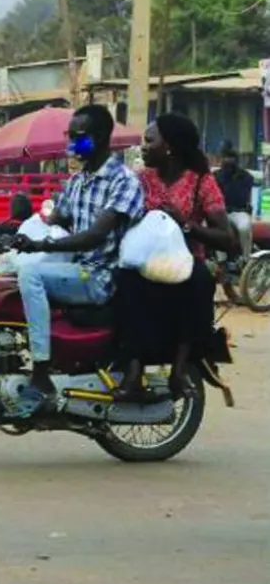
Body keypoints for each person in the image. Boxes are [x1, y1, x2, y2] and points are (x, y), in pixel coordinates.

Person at [13, 105, 145, 409]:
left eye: (78, 138)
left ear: (99, 138)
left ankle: (41, 373)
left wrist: (40, 246)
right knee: (8, 275)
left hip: (99, 277)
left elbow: (94, 236)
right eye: (70, 137)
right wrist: (19, 230)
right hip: (76, 267)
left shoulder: (122, 181)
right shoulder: (78, 181)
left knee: (31, 274)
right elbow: (58, 218)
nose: (72, 144)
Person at [114, 115, 234, 400]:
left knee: (201, 281)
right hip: (144, 262)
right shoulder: (140, 180)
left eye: (149, 141)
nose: (143, 147)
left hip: (186, 262)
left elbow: (226, 237)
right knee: (124, 282)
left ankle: (180, 369)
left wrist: (186, 223)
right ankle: (133, 368)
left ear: (169, 147)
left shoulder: (201, 182)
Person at [215, 142, 254, 265]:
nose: (228, 160)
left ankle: (247, 260)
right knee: (211, 225)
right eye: (225, 157)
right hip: (221, 212)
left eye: (231, 157)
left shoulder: (246, 177)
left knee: (244, 227)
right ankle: (222, 261)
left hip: (239, 212)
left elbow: (242, 198)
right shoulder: (215, 176)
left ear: (236, 159)